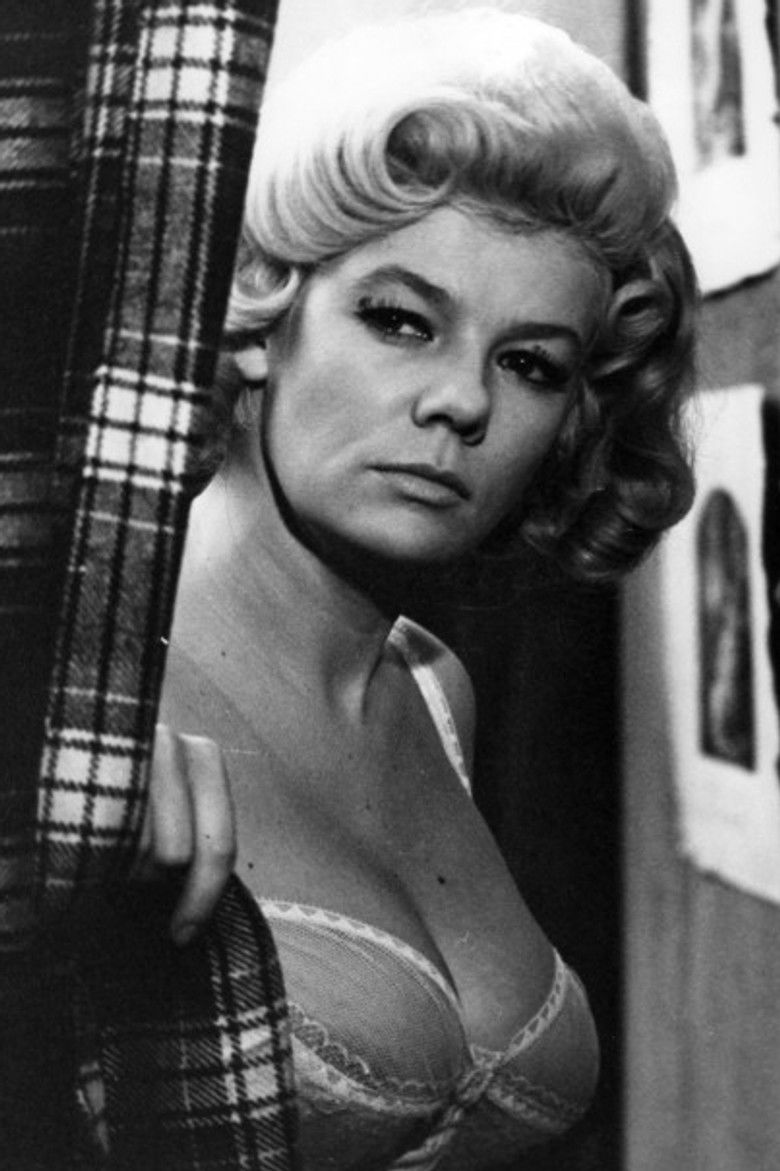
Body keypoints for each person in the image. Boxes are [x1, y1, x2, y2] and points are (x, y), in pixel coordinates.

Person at [140, 9, 696, 1169]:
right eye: (400, 320)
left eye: (529, 362)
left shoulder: (438, 693)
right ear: (263, 316)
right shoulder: (83, 691)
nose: (463, 401)